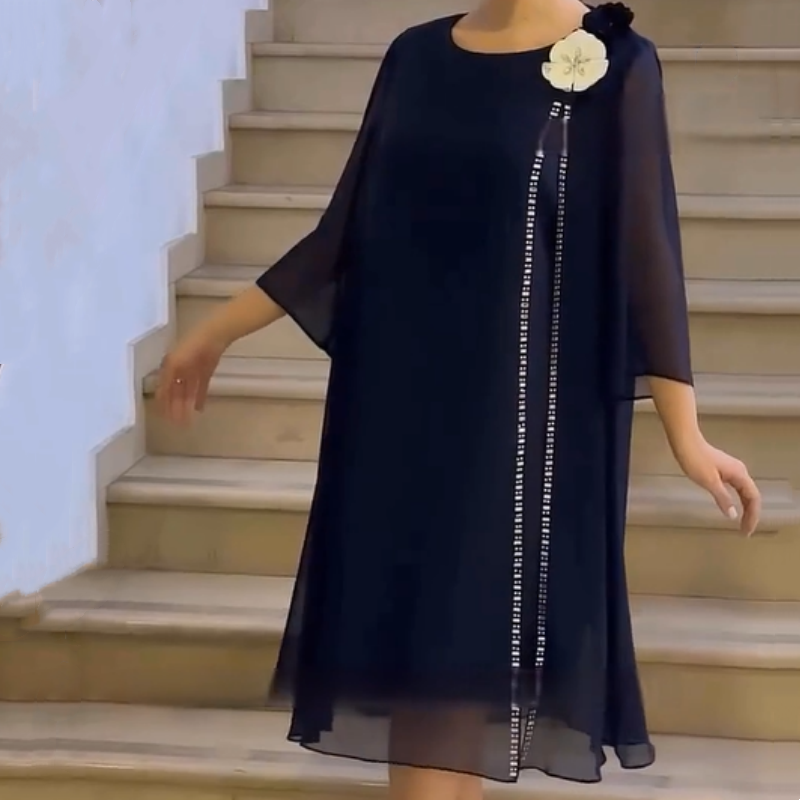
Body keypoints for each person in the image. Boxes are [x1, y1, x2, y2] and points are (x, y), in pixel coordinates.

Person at [156, 0, 762, 797]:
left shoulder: (618, 64)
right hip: (394, 418)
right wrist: (216, 331)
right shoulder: (415, 56)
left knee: (445, 686)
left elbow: (644, 249)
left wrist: (686, 433)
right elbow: (345, 230)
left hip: (508, 427)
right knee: (426, 697)